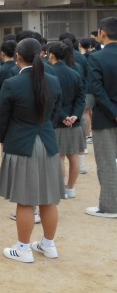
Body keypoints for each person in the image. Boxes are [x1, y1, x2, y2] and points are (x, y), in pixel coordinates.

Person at [0, 38, 64, 263]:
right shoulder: (53, 81)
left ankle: (23, 248)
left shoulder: (12, 83)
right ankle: (48, 244)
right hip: (47, 142)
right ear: (42, 54)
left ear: (18, 56)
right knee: (48, 199)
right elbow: (55, 113)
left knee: (25, 200)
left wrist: (4, 139)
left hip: (21, 143)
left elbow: (3, 118)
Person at [86, 17, 117, 218]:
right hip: (108, 115)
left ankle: (109, 206)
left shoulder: (96, 58)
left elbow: (97, 90)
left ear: (102, 33)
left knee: (107, 163)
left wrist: (114, 113)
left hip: (105, 118)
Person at [47, 41, 85, 199]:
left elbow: (52, 99)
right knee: (73, 156)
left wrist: (63, 116)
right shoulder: (75, 73)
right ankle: (70, 188)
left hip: (57, 121)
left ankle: (60, 188)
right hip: (75, 121)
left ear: (52, 55)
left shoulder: (49, 73)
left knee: (60, 156)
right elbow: (81, 98)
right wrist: (75, 115)